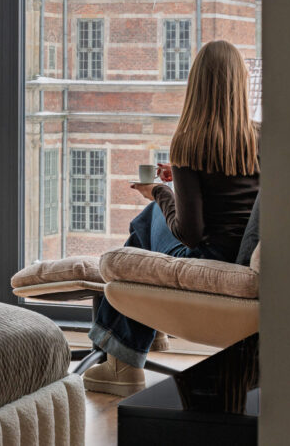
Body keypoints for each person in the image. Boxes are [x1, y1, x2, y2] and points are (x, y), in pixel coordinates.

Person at [83, 40, 260, 396]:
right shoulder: (263, 137)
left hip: (207, 258)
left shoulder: (189, 142)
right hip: (241, 256)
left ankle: (122, 361)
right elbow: (229, 196)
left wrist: (159, 192)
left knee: (145, 222)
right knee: (148, 225)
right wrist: (177, 180)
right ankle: (139, 337)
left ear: (197, 85)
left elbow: (189, 234)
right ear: (240, 83)